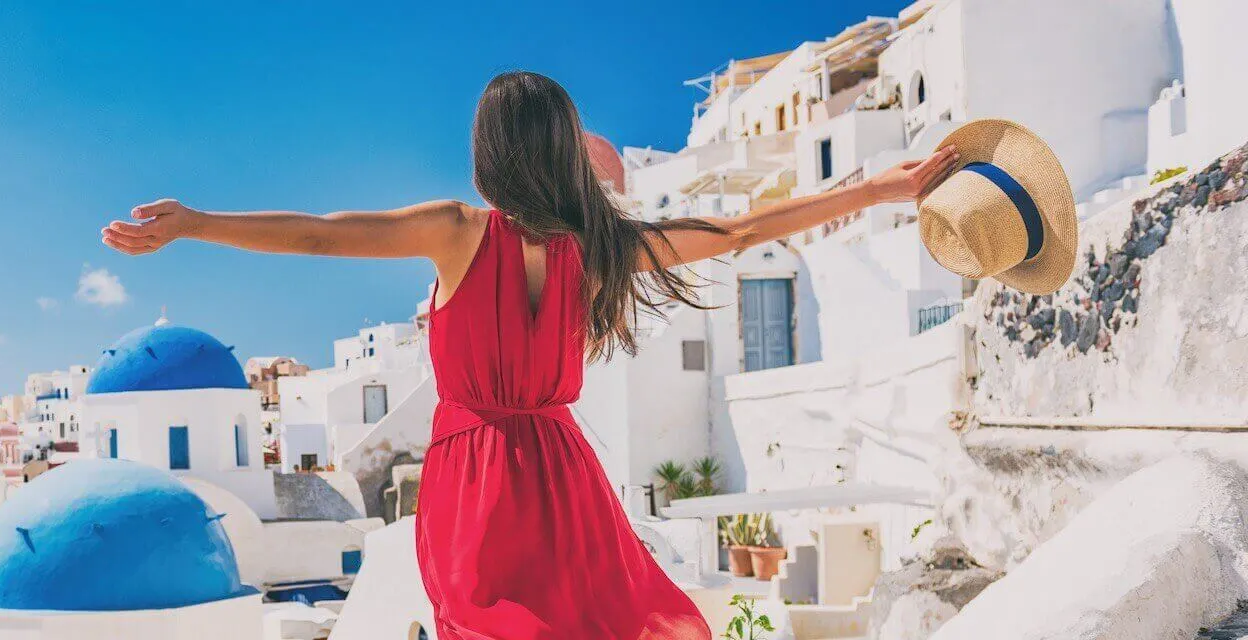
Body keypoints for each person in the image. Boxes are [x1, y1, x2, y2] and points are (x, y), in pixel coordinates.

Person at [101, 70, 958, 639]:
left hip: (479, 479)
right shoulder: (605, 246)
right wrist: (878, 187)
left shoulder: (458, 231)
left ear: (491, 151)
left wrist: (197, 224)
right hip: (565, 474)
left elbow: (321, 238)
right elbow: (739, 230)